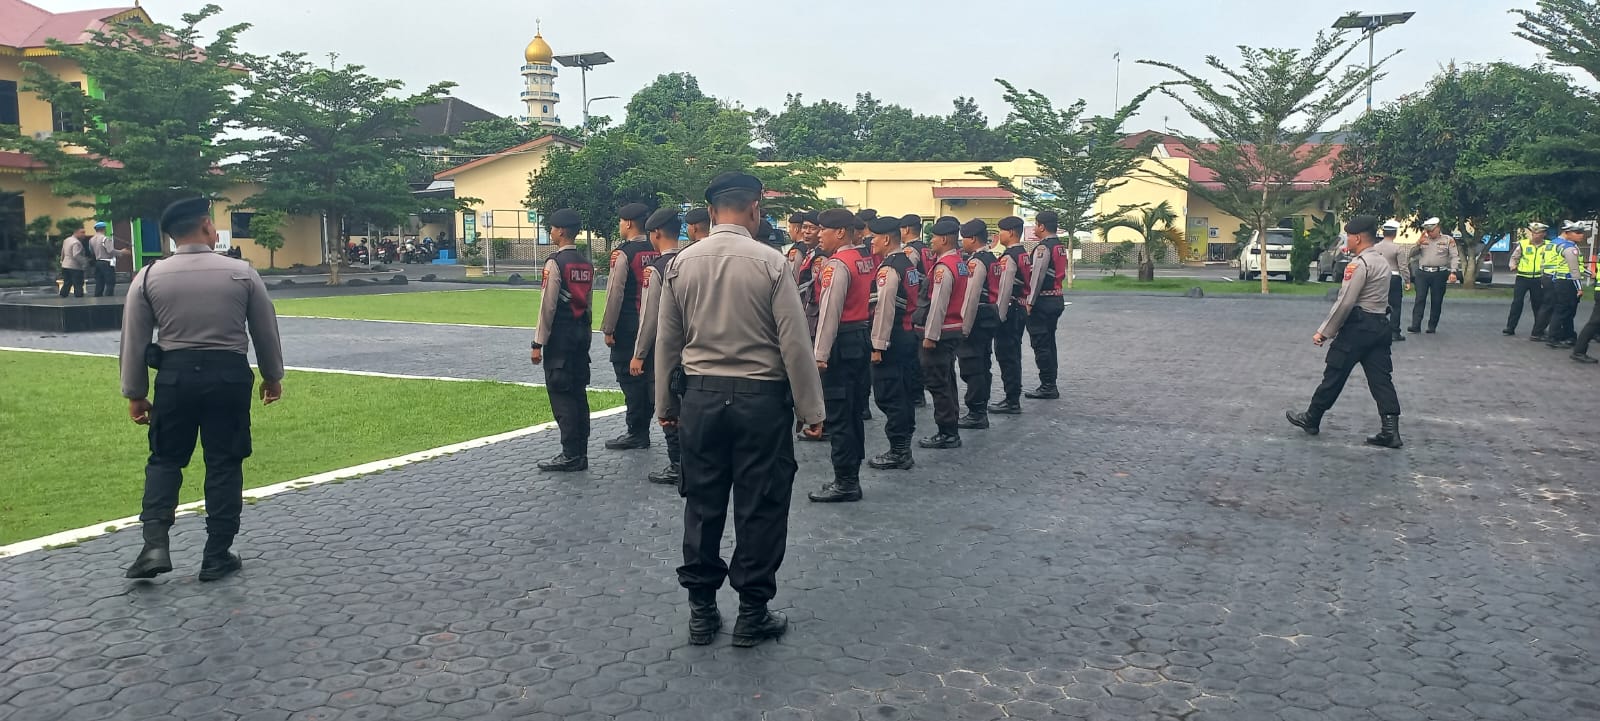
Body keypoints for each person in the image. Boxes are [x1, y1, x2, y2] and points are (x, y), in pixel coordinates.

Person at [655, 172, 825, 648]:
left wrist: (665, 404)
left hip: (701, 401)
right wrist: (811, 410)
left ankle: (702, 613)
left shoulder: (681, 264)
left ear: (711, 213)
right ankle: (752, 613)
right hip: (760, 402)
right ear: (755, 209)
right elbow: (794, 343)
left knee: (703, 505)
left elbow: (667, 341)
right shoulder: (772, 263)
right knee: (761, 507)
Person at [120, 197, 285, 581]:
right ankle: (217, 553)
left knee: (164, 459)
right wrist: (272, 376)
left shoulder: (147, 276)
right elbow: (264, 329)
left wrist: (135, 392)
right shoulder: (241, 272)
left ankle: (155, 544)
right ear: (207, 227)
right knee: (224, 463)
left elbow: (134, 339)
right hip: (228, 377)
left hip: (174, 378)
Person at [1286, 215, 1402, 448]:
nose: (1347, 240)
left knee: (1335, 373)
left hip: (1358, 328)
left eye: (1349, 236)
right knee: (1381, 380)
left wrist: (1324, 332)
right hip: (1380, 326)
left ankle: (1312, 417)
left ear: (1357, 238)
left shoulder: (1359, 264)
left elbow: (1346, 302)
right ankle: (1390, 430)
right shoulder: (1382, 262)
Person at [806, 209, 877, 503]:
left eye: (824, 229)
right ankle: (850, 475)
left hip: (841, 341)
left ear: (840, 232)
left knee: (839, 414)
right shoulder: (862, 259)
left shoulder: (837, 265)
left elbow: (829, 313)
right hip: (859, 337)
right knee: (853, 411)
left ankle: (846, 481)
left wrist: (819, 354)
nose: (819, 234)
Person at [531, 209, 595, 472]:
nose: (550, 232)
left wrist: (537, 343)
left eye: (552, 228)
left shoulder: (555, 263)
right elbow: (588, 305)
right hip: (581, 335)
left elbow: (548, 306)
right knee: (578, 393)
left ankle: (570, 454)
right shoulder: (585, 263)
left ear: (560, 231)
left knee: (561, 394)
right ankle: (581, 450)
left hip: (560, 337)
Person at [631, 208, 687, 485]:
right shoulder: (691, 262)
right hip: (695, 349)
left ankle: (677, 464)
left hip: (666, 351)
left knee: (668, 406)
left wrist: (639, 354)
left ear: (656, 234)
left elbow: (649, 317)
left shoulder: (656, 270)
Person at [601, 203, 663, 450]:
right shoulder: (655, 248)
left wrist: (608, 328)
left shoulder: (623, 254)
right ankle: (643, 427)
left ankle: (636, 431)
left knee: (630, 379)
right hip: (655, 323)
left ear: (627, 223)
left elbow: (614, 294)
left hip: (628, 325)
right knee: (649, 377)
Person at [866, 215, 922, 471]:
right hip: (907, 334)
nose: (871, 242)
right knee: (905, 392)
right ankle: (903, 447)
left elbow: (884, 309)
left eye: (874, 237)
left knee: (889, 395)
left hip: (893, 337)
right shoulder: (907, 263)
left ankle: (899, 450)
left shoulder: (889, 269)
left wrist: (877, 345)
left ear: (886, 238)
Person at [919, 219, 969, 449]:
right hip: (953, 330)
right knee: (948, 381)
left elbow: (939, 304)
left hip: (941, 333)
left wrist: (930, 335)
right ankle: (951, 426)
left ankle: (947, 432)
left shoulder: (944, 267)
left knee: (938, 383)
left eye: (933, 237)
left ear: (944, 239)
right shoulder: (959, 262)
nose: (931, 241)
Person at [956, 220, 998, 430]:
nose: (962, 242)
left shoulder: (976, 262)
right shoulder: (991, 258)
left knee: (972, 366)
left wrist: (964, 327)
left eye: (964, 238)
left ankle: (976, 411)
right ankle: (980, 407)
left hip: (977, 318)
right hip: (989, 316)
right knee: (983, 364)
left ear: (972, 238)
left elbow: (971, 297)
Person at [988, 215, 1032, 414]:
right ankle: (1012, 397)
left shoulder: (1009, 257)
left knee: (1007, 356)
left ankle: (1011, 399)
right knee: (1013, 354)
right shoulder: (1023, 254)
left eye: (1002, 231)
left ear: (1011, 232)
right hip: (1020, 307)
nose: (1000, 235)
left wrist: (999, 316)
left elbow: (1004, 289)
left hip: (1011, 310)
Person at [1024, 211, 1068, 399]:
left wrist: (1029, 302)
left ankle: (1048, 385)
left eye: (1036, 225)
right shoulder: (1060, 246)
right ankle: (1051, 381)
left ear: (1042, 226)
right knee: (1049, 343)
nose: (1035, 228)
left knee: (1041, 343)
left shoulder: (1043, 248)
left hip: (1043, 301)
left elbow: (1037, 276)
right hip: (1056, 298)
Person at [1406, 217, 1459, 334]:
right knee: (1419, 299)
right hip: (1422, 273)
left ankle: (1432, 325)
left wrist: (1453, 271)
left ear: (1438, 228)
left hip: (1439, 273)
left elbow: (1454, 256)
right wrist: (1418, 244)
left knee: (1436, 300)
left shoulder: (1448, 240)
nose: (1429, 233)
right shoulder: (1423, 239)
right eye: (1428, 231)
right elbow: (1410, 254)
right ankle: (1415, 325)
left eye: (1431, 231)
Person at [898, 215, 931, 406]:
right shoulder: (926, 248)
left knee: (912, 354)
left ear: (905, 229)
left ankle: (915, 393)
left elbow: (908, 278)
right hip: (926, 303)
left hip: (915, 304)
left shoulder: (910, 251)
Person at [1540, 223, 1585, 349]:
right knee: (1562, 310)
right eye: (1577, 232)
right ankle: (1554, 337)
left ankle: (1567, 335)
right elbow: (1574, 271)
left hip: (1555, 279)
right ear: (1568, 233)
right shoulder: (1569, 248)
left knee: (1564, 309)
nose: (1581, 235)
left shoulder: (1554, 244)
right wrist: (1579, 287)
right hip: (1566, 281)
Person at [1505, 222, 1552, 337]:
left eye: (1538, 233)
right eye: (1533, 233)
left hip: (1538, 278)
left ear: (1544, 234)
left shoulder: (1549, 246)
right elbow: (1515, 257)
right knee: (1517, 303)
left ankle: (1539, 329)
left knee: (1538, 304)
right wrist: (1512, 265)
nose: (1535, 235)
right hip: (1522, 277)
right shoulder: (1523, 244)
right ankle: (1510, 327)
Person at [1372, 220, 1410, 342]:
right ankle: (1394, 332)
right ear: (1395, 233)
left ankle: (1377, 329)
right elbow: (1403, 266)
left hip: (1378, 277)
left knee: (1377, 304)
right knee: (1395, 306)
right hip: (1393, 277)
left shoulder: (1375, 247)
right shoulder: (1397, 248)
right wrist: (1407, 280)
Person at [90, 221, 127, 297]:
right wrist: (121, 252)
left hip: (98, 262)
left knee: (99, 282)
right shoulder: (106, 239)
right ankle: (108, 298)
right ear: (103, 229)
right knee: (110, 281)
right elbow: (110, 251)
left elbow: (91, 251)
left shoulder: (91, 240)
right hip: (107, 262)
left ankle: (98, 297)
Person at [58, 226, 91, 298]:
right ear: (76, 233)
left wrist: (62, 261)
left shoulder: (67, 240)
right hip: (75, 266)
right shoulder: (76, 243)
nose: (84, 234)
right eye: (82, 232)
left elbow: (63, 252)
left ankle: (63, 295)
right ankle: (79, 297)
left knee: (67, 282)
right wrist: (84, 263)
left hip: (65, 265)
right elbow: (76, 255)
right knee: (78, 283)